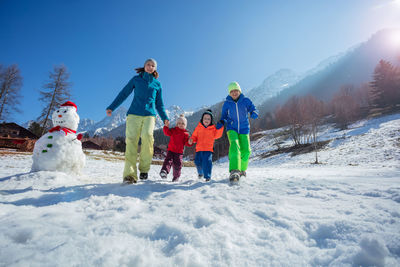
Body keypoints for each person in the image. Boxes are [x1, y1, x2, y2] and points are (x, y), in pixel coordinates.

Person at [106, 58, 169, 184]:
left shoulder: (157, 84)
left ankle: (144, 169)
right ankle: (129, 175)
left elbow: (159, 104)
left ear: (155, 69)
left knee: (148, 136)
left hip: (150, 115)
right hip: (134, 114)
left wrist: (164, 118)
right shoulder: (136, 80)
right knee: (131, 141)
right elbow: (123, 93)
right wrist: (112, 107)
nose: (150, 67)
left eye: (153, 65)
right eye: (148, 64)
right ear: (144, 66)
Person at [218, 81, 258, 182]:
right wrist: (222, 121)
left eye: (236, 90)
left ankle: (242, 170)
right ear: (229, 93)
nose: (234, 93)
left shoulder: (246, 100)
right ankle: (234, 170)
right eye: (232, 91)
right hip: (232, 129)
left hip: (244, 129)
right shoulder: (227, 103)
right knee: (235, 146)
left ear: (239, 91)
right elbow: (224, 116)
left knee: (246, 150)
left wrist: (254, 112)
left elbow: (254, 108)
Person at [188, 109, 224, 182]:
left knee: (207, 162)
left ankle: (207, 177)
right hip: (199, 149)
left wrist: (220, 128)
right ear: (202, 119)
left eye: (208, 119)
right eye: (205, 118)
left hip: (208, 150)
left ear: (211, 120)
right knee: (197, 162)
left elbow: (218, 135)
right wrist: (192, 139)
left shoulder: (213, 128)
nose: (206, 120)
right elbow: (194, 136)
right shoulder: (198, 128)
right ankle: (200, 173)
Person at [159, 114, 191, 182]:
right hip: (171, 150)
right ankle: (164, 171)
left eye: (183, 123)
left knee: (178, 164)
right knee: (168, 161)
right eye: (179, 123)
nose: (181, 125)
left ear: (185, 125)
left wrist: (190, 142)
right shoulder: (173, 130)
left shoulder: (186, 134)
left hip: (179, 152)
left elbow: (186, 143)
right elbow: (167, 132)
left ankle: (176, 177)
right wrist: (166, 126)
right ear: (176, 124)